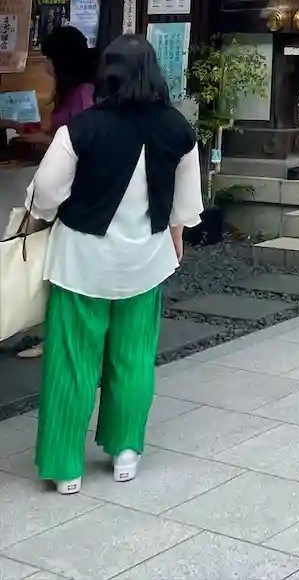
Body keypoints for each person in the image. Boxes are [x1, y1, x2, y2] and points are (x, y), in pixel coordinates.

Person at [24, 35, 202, 494]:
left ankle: (65, 466)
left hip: (81, 262)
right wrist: (175, 239)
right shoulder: (177, 128)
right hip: (146, 261)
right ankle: (126, 452)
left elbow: (46, 194)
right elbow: (185, 205)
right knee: (133, 359)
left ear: (107, 73)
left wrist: (41, 217)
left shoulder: (81, 129)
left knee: (72, 362)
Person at [15, 26, 99, 360]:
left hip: (71, 191)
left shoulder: (84, 93)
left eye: (49, 58)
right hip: (62, 185)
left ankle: (59, 336)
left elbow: (83, 144)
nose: (46, 65)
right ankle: (52, 332)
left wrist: (43, 140)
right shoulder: (69, 91)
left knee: (62, 266)